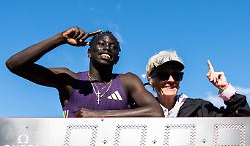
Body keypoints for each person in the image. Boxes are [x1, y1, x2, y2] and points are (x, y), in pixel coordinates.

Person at [6, 27, 163, 118]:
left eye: (113, 46)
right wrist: (60, 39)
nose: (107, 47)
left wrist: (99, 116)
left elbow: (156, 112)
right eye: (101, 44)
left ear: (117, 59)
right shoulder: (70, 79)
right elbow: (15, 65)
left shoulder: (128, 81)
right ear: (89, 52)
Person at [146, 50, 250, 117]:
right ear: (151, 81)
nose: (171, 80)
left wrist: (225, 89)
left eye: (176, 75)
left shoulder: (200, 108)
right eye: (163, 75)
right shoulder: (141, 110)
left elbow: (240, 125)